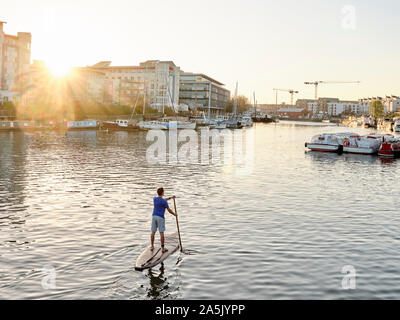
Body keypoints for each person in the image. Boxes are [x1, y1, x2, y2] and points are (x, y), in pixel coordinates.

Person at [151, 187, 176, 253]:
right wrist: (174, 214)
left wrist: (170, 198)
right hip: (160, 218)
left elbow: (162, 200)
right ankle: (162, 248)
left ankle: (152, 246)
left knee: (153, 232)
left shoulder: (155, 199)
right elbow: (169, 210)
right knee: (161, 233)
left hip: (154, 216)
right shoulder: (164, 202)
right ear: (162, 193)